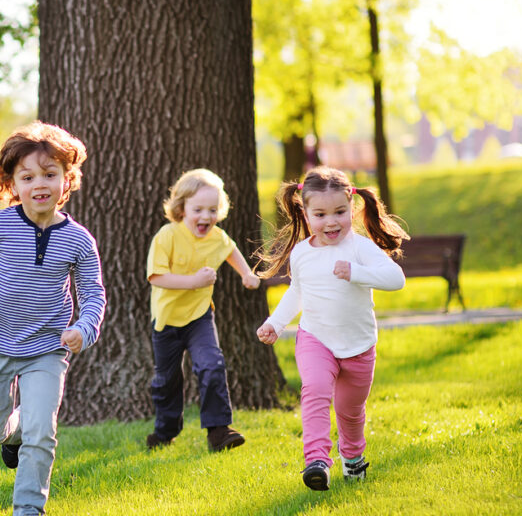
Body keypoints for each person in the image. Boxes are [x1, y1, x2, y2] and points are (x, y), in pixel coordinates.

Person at [0, 121, 106, 516]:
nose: (40, 184)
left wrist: (83, 329)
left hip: (47, 348)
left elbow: (93, 293)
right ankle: (13, 428)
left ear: (66, 180)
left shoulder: (78, 240)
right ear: (11, 183)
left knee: (43, 432)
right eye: (28, 176)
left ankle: (29, 515)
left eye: (50, 175)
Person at [256, 166, 408, 491]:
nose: (331, 222)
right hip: (315, 338)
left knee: (350, 413)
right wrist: (275, 322)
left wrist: (355, 272)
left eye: (339, 212)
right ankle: (317, 462)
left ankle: (352, 459)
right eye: (320, 214)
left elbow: (397, 279)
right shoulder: (301, 253)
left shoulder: (360, 248)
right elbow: (297, 291)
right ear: (305, 213)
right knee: (314, 392)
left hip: (359, 345)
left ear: (351, 209)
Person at [145, 168, 262, 453]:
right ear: (181, 207)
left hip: (199, 316)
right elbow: (156, 277)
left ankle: (219, 431)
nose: (206, 217)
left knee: (212, 365)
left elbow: (231, 249)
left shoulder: (217, 236)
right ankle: (165, 431)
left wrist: (246, 274)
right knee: (167, 381)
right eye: (198, 209)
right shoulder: (167, 235)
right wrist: (195, 281)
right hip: (167, 321)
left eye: (213, 209)